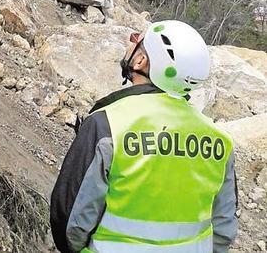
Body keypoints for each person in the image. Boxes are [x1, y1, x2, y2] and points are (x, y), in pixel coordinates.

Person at [50, 20, 238, 253]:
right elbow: (223, 229)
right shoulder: (220, 140)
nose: (131, 43)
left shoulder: (107, 124)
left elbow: (70, 221)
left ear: (141, 61)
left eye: (136, 40)